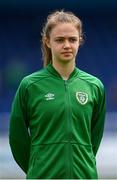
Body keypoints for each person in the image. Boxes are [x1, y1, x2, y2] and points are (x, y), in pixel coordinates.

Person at [9, 10, 106, 179]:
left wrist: (82, 161)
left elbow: (93, 141)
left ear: (79, 41)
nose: (67, 45)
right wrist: (37, 166)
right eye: (60, 40)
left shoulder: (94, 86)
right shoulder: (30, 85)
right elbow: (17, 138)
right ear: (47, 42)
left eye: (72, 39)